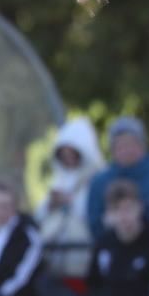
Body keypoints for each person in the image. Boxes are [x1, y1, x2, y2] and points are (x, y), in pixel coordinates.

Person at [86, 116, 149, 239]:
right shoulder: (99, 182)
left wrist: (129, 219)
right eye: (120, 146)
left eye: (131, 144)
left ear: (143, 145)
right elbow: (94, 223)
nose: (126, 150)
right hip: (112, 249)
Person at [35, 117, 105, 277]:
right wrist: (51, 204)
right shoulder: (59, 179)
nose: (68, 159)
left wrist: (70, 202)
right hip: (54, 248)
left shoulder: (97, 178)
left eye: (72, 154)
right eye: (63, 155)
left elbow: (94, 212)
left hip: (81, 248)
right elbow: (39, 214)